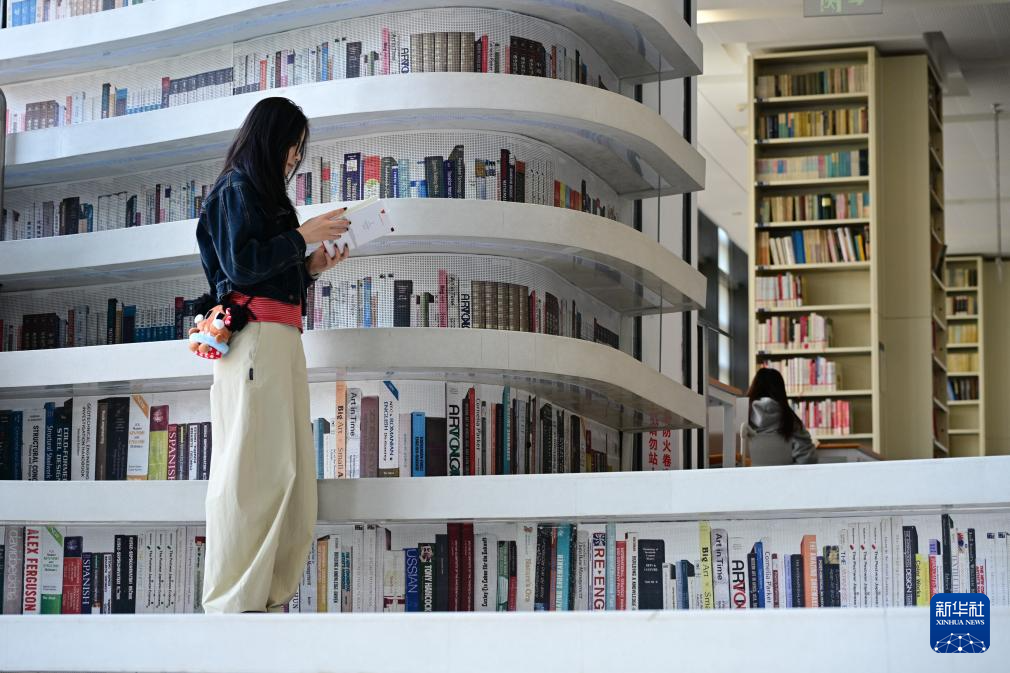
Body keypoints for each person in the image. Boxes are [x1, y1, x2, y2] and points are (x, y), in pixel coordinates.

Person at [195, 97, 351, 613]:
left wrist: (311, 267)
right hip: (257, 338)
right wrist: (302, 237)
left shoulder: (260, 194)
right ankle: (233, 601)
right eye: (291, 145)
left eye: (300, 149)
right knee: (252, 472)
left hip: (278, 337)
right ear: (270, 138)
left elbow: (262, 270)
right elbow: (241, 266)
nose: (294, 157)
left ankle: (260, 598)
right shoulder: (236, 188)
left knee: (285, 471)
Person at [739, 367, 818, 466]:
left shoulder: (741, 417)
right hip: (787, 475)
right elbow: (808, 460)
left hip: (748, 475)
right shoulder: (791, 420)